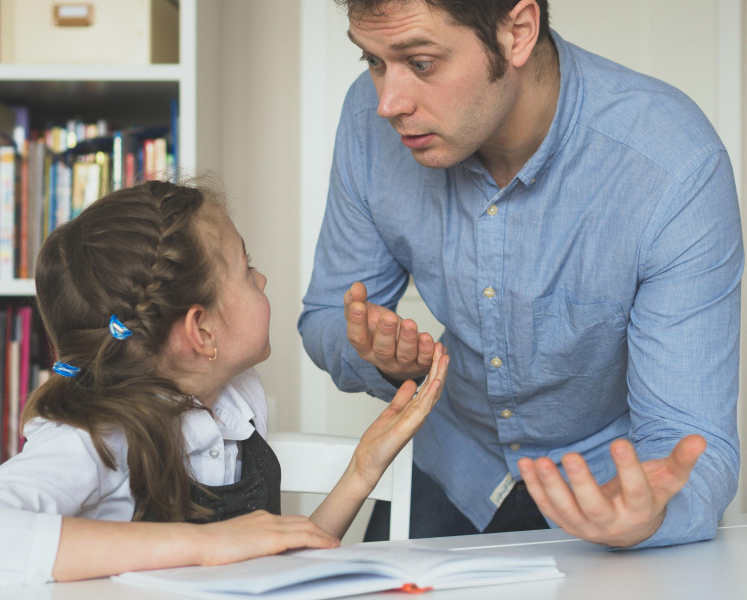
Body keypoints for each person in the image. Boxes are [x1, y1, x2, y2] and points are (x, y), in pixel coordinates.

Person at [298, 0, 742, 549]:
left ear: (518, 32)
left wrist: (651, 515)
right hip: (453, 466)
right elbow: (323, 317)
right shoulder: (369, 119)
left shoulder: (671, 166)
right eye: (372, 60)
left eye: (422, 62)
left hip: (605, 487)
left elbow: (691, 441)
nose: (389, 102)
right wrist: (380, 359)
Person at [0, 180, 449, 588]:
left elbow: (270, 568)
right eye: (246, 269)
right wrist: (206, 544)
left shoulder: (236, 401)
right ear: (201, 330)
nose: (263, 280)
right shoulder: (97, 436)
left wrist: (362, 470)